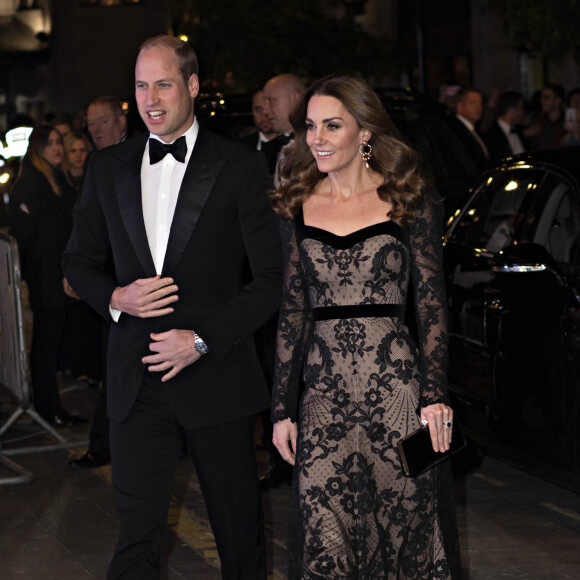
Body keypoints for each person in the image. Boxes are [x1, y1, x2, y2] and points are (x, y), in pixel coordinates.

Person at [62, 35, 281, 579]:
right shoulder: (107, 167)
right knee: (135, 541)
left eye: (163, 83)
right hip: (136, 385)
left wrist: (200, 339)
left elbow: (274, 278)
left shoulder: (239, 166)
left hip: (217, 377)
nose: (150, 98)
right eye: (141, 85)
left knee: (240, 541)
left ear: (193, 86)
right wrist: (117, 297)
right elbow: (77, 262)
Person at [269, 75, 461, 578]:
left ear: (365, 133)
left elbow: (432, 305)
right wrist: (281, 409)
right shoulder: (297, 203)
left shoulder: (409, 200)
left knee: (407, 539)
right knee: (325, 543)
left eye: (333, 125)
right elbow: (293, 312)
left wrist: (434, 394)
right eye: (311, 126)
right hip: (323, 400)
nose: (318, 138)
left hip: (396, 396)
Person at [9, 125, 85, 427]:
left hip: (54, 272)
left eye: (58, 142)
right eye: (48, 143)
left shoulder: (55, 178)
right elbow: (28, 233)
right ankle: (47, 407)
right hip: (46, 275)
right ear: (36, 147)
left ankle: (50, 405)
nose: (56, 147)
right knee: (46, 342)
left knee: (50, 340)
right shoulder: (34, 181)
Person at [261, 73, 306, 175]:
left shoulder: (319, 147)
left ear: (296, 99)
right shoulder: (266, 150)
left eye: (271, 100)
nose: (265, 111)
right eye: (264, 101)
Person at [446, 85, 490, 174]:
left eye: (480, 103)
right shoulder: (454, 131)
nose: (478, 107)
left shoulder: (476, 130)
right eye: (473, 103)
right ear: (460, 106)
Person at [483, 90, 526, 162]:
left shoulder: (519, 131)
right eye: (521, 108)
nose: (523, 113)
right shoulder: (491, 135)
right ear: (512, 111)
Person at [525, 83, 565, 150]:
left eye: (546, 98)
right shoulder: (537, 122)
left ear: (558, 100)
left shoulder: (567, 122)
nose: (542, 101)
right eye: (541, 98)